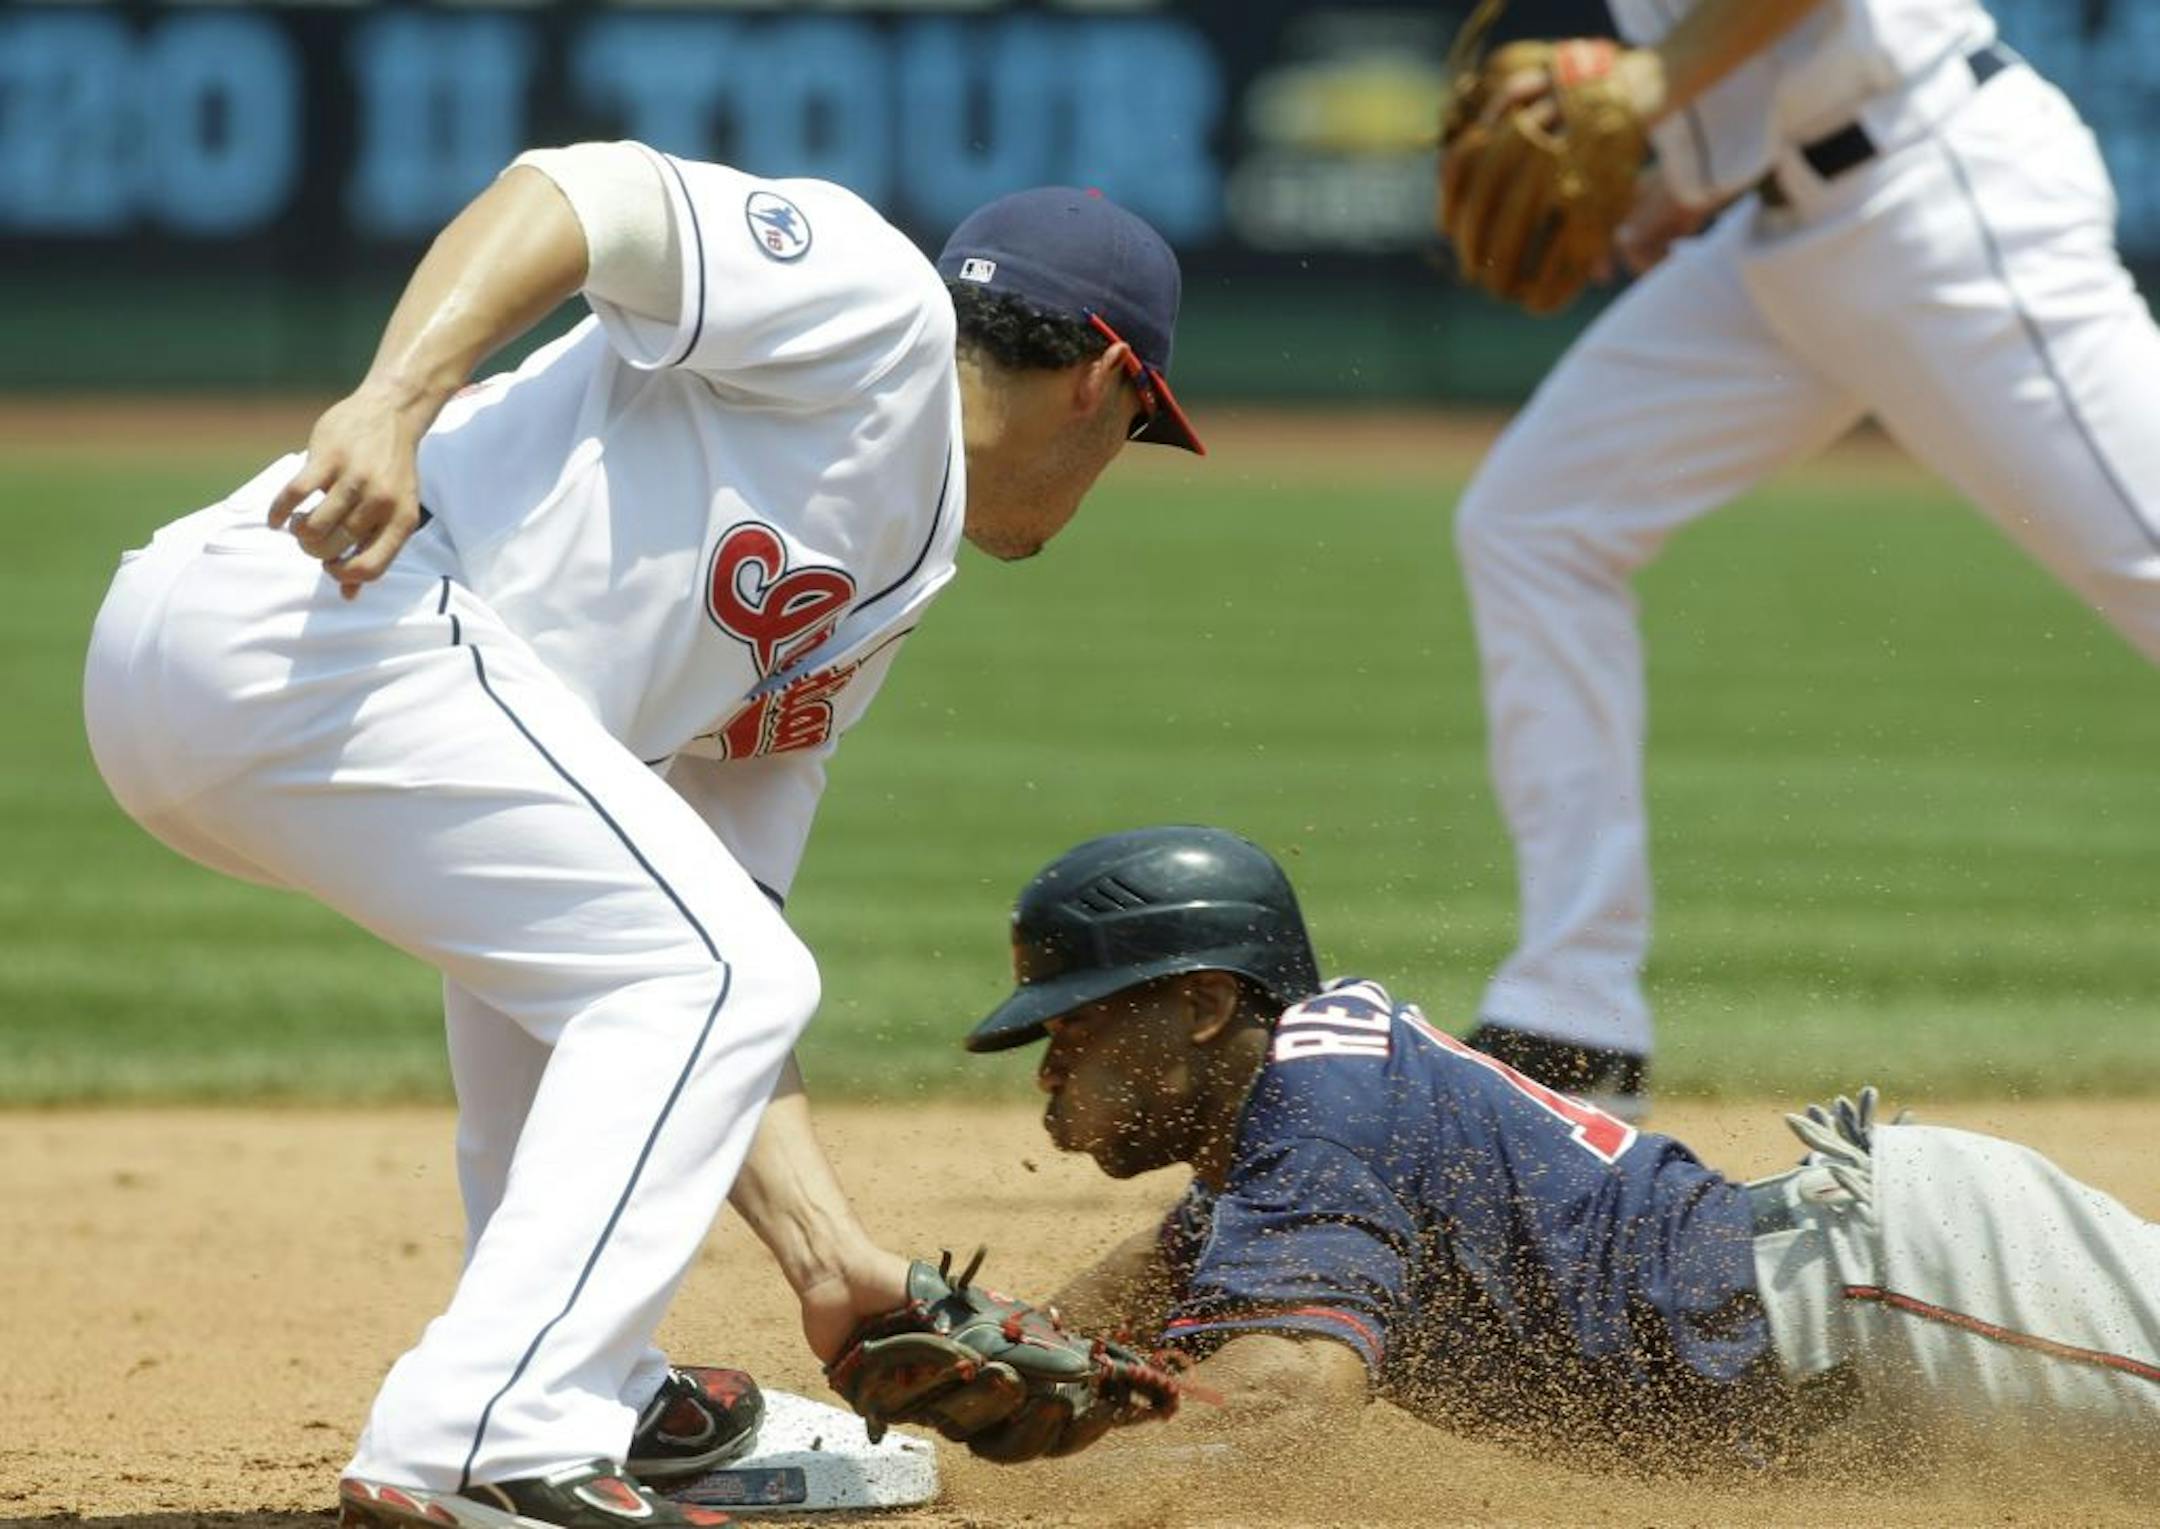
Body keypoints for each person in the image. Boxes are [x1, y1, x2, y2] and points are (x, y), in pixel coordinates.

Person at [82, 142, 1202, 1529]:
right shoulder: (876, 308)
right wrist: (393, 399)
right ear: (1105, 379)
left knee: (651, 980)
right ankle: (491, 1435)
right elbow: (578, 195)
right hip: (309, 609)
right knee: (706, 977)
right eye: (1140, 428)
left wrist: (829, 1261)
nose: (1116, 465)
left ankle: (591, 1387)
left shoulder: (883, 591)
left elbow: (715, 924)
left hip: (290, 678)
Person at [1446, 0, 2160, 1113]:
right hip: (1782, 237)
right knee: (1535, 520)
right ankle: (1571, 1017)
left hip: (1942, 194)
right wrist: (1682, 173)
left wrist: (1649, 88)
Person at [965, 825, 2160, 1465]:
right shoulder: (1295, 1123)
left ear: (1208, 1002)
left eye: (1076, 1023)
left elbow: (1287, 1396)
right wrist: (991, 1366)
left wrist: (1046, 1469)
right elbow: (1164, 1269)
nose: (1052, 1066)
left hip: (1907, 1292)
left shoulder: (1319, 1114)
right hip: (1873, 1334)